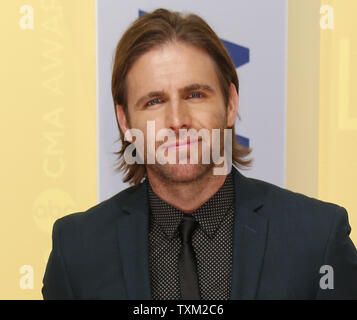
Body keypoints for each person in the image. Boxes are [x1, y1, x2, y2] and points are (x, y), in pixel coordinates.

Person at [42, 8, 357, 300]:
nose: (177, 120)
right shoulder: (77, 251)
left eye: (195, 95)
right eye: (153, 101)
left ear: (230, 103)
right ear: (124, 120)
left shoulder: (318, 239)